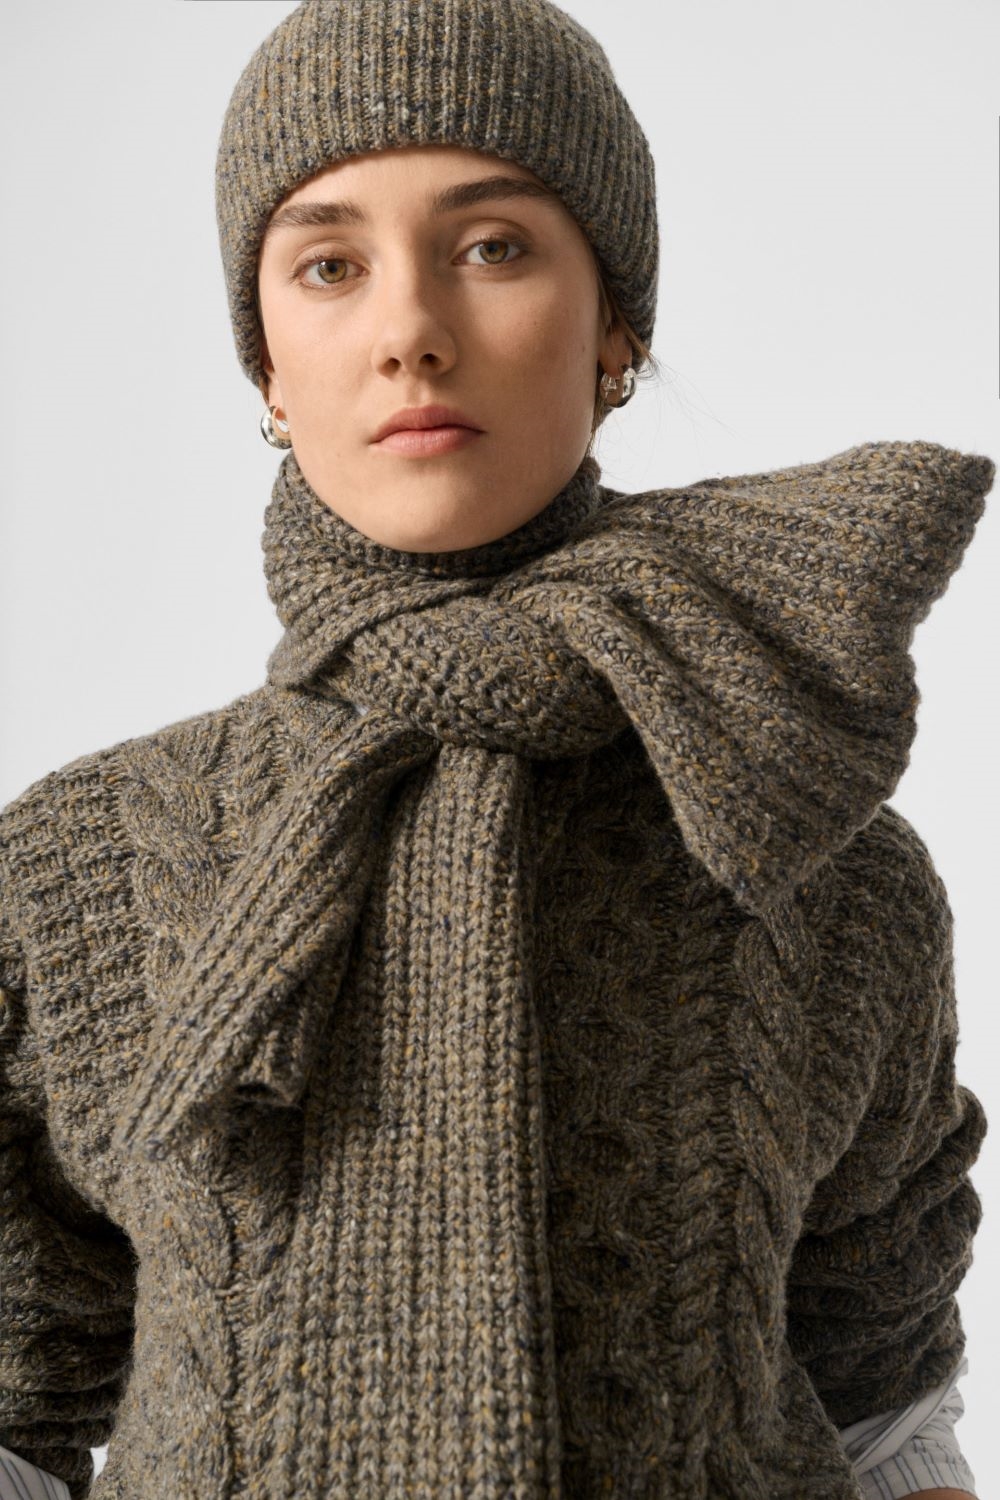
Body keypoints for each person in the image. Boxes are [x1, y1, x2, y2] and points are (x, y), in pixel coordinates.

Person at [0, 2, 992, 1497]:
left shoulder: (810, 853)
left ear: (617, 332)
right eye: (329, 266)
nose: (409, 329)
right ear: (267, 368)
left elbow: (886, 1401)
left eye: (493, 246)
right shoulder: (73, 867)